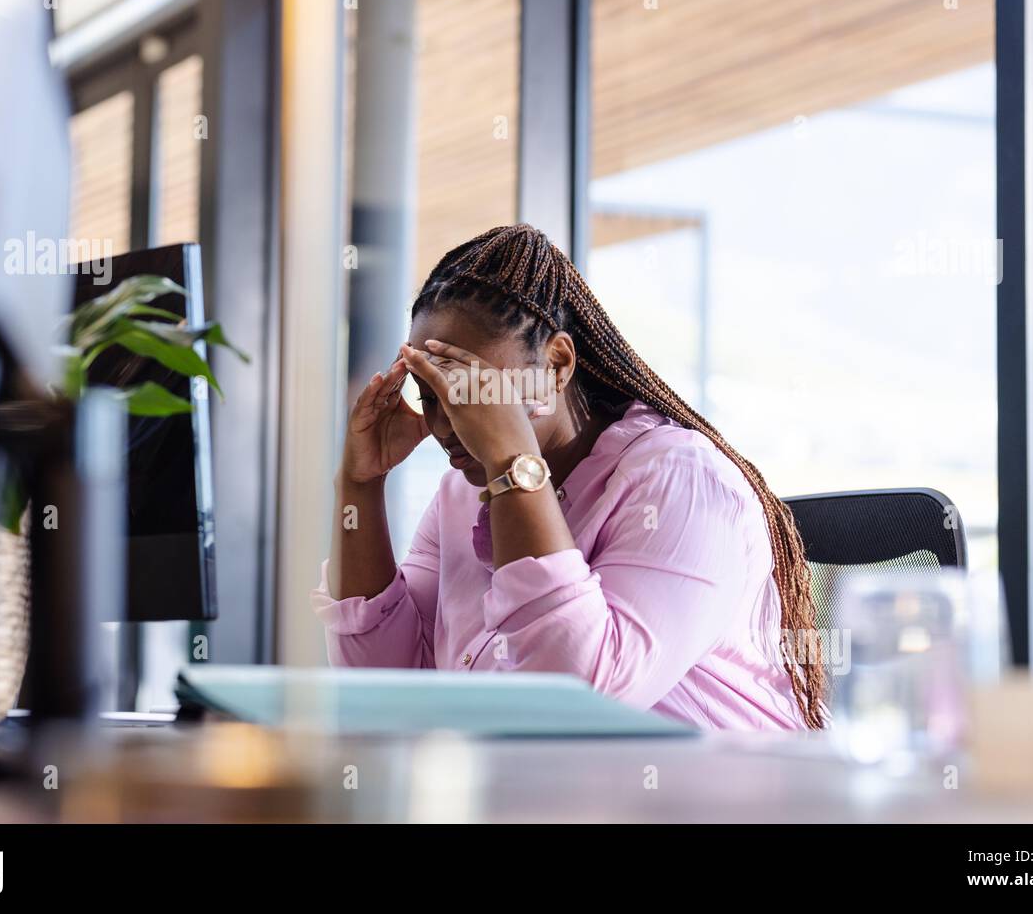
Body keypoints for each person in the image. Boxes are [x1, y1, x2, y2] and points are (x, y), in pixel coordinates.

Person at [311, 224, 826, 730]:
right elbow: (387, 680)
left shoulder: (681, 481)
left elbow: (576, 700)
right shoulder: (462, 493)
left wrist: (514, 466)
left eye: (468, 390)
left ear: (556, 363)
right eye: (432, 394)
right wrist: (360, 484)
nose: (447, 425)